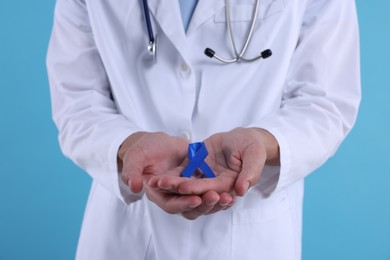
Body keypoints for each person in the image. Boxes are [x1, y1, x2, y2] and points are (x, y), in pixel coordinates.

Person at [46, 0, 361, 259]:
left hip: (251, 236)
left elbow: (325, 102)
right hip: (124, 235)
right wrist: (129, 146)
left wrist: (262, 143)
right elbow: (77, 100)